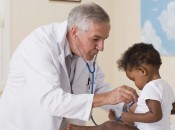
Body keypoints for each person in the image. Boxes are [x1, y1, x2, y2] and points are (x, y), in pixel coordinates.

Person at [0, 2, 138, 130]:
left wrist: (127, 105)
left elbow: (96, 87)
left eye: (104, 39)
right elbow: (52, 100)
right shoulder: (40, 45)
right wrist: (108, 97)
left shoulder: (85, 52)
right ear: (74, 32)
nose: (101, 47)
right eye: (96, 39)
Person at [67, 42, 175, 130]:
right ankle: (115, 120)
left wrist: (133, 117)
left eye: (133, 79)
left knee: (109, 126)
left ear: (142, 71)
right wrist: (138, 116)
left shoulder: (150, 88)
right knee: (117, 123)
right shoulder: (165, 85)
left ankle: (82, 129)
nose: (135, 83)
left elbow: (156, 115)